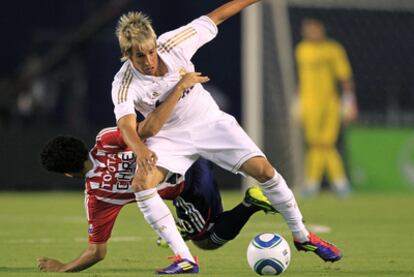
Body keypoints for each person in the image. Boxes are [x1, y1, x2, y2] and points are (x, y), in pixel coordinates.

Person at [111, 0, 342, 273]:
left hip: (209, 122)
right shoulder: (123, 83)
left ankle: (302, 236)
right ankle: (184, 258)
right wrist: (140, 150)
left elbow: (218, 15)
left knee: (264, 171)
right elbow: (127, 126)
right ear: (127, 55)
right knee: (142, 184)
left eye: (151, 52)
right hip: (169, 138)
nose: (149, 60)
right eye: (140, 56)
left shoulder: (174, 44)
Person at [37, 127, 277, 273]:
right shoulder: (106, 140)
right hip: (190, 153)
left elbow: (97, 252)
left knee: (206, 242)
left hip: (190, 187)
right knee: (192, 222)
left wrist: (64, 266)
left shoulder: (97, 196)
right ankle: (183, 228)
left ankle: (250, 202)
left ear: (67, 173)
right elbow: (146, 129)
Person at [295, 17, 358, 197]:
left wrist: (349, 100)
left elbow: (344, 76)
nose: (310, 32)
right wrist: (297, 100)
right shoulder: (301, 50)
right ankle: (338, 183)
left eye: (314, 29)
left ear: (322, 30)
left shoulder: (333, 49)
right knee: (317, 145)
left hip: (330, 103)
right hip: (309, 104)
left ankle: (314, 183)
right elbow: (302, 77)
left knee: (325, 144)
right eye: (307, 29)